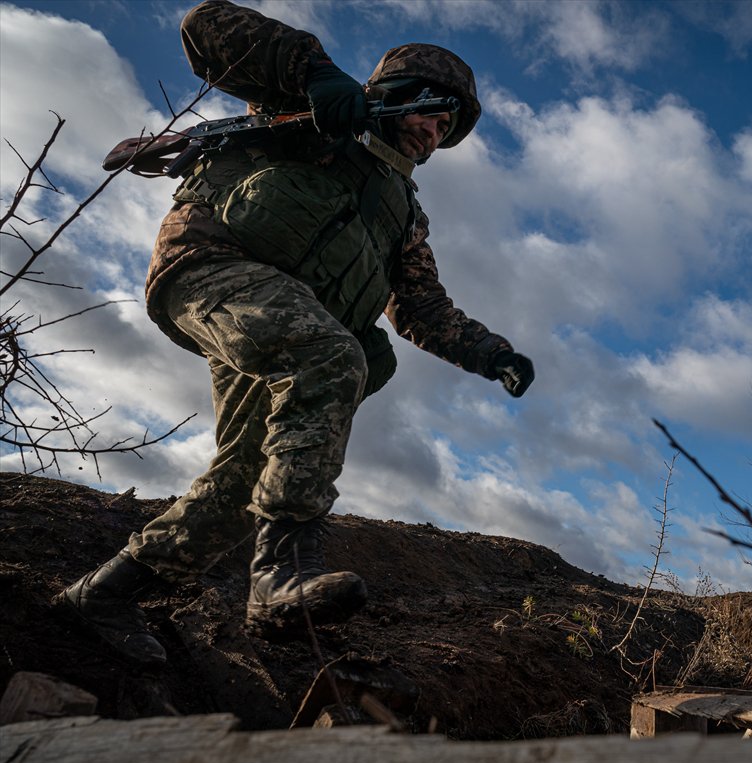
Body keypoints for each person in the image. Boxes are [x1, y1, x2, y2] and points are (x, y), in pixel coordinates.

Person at [53, 0, 534, 665]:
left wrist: (494, 355)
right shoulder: (307, 109)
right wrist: (314, 72)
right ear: (396, 97)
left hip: (287, 324)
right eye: (430, 110)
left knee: (239, 485)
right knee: (336, 357)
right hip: (213, 268)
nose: (435, 131)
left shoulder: (404, 214)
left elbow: (422, 307)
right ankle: (282, 576)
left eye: (448, 125)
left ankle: (102, 595)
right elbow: (206, 27)